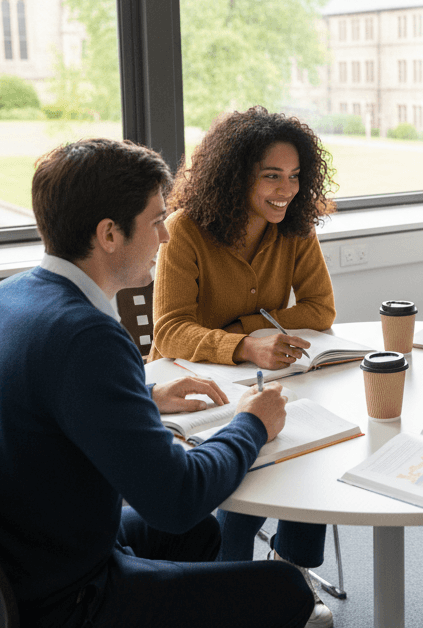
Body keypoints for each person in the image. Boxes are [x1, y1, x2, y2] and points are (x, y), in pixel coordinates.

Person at [0, 138, 313, 628]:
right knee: (285, 589)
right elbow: (177, 498)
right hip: (60, 599)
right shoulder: (87, 335)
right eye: (156, 221)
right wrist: (252, 424)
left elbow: (45, 408)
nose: (166, 237)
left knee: (201, 534)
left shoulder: (5, 299)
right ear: (109, 234)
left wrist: (146, 399)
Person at [149, 106, 336, 627]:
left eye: (295, 176)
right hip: (192, 387)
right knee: (250, 451)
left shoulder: (296, 228)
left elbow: (320, 309)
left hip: (268, 376)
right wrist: (245, 343)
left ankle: (290, 567)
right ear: (236, 177)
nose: (286, 189)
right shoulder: (185, 230)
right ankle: (228, 577)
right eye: (272, 175)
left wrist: (247, 328)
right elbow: (170, 331)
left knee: (311, 440)